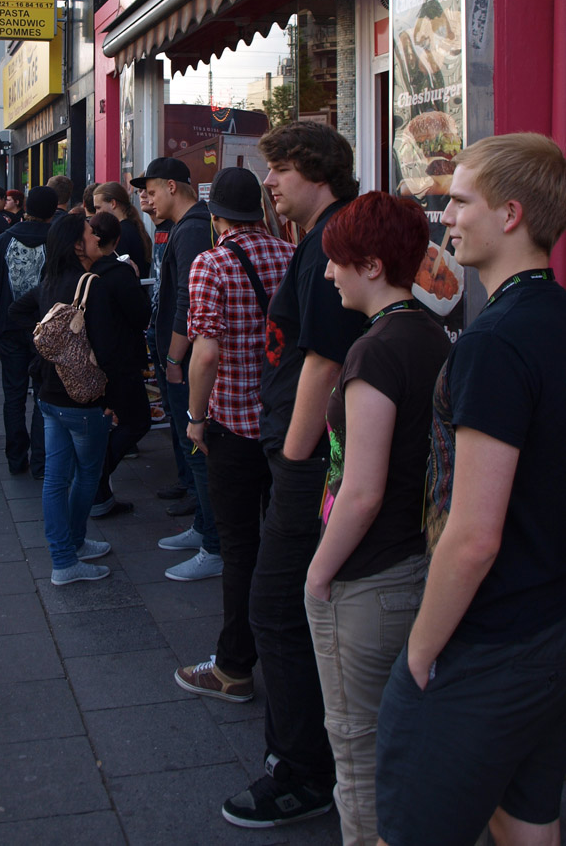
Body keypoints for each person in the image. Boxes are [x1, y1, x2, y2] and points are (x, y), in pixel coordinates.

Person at [375, 134, 566, 846]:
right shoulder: (549, 320)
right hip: (548, 627)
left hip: (489, 638)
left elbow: (474, 532)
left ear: (510, 214)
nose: (443, 215)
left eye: (458, 200)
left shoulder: (495, 342)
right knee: (528, 821)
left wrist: (421, 651)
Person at [223, 121, 364, 830]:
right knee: (296, 610)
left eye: (277, 169)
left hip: (308, 463)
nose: (269, 183)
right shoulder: (318, 239)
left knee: (276, 607)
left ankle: (301, 769)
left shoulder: (328, 241)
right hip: (308, 458)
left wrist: (296, 456)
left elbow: (322, 358)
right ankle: (317, 752)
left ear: (315, 169)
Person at [299, 192, 450, 845]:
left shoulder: (376, 351)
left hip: (368, 580)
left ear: (368, 263)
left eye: (337, 261)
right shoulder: (429, 336)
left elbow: (360, 490)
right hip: (415, 565)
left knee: (358, 756)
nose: (329, 274)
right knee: (417, 752)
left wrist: (316, 574)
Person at [175, 168, 293, 701]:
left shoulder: (212, 262)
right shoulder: (290, 255)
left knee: (239, 546)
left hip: (233, 426)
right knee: (284, 541)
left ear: (217, 215)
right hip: (286, 422)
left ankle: (233, 667)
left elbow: (205, 352)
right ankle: (287, 652)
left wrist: (196, 418)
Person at [10, 212, 146, 586]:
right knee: (86, 476)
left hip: (50, 396)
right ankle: (66, 559)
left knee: (55, 479)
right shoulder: (93, 285)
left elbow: (16, 312)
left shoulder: (50, 280)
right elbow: (108, 351)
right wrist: (113, 401)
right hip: (85, 402)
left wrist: (46, 348)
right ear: (76, 244)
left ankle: (69, 549)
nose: (95, 237)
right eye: (89, 233)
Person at [132, 157, 219, 581]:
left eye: (149, 190)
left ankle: (214, 543)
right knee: (190, 444)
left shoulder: (194, 228)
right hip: (179, 356)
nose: (146, 199)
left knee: (197, 446)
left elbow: (191, 301)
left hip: (185, 361)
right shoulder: (187, 227)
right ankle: (204, 526)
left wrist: (172, 358)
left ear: (172, 185)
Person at [0, 186, 57, 476]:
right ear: (52, 212)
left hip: (9, 328)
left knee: (12, 395)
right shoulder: (55, 242)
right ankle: (40, 461)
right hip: (45, 329)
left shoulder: (2, 241)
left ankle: (16, 458)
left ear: (26, 208)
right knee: (43, 394)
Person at [86, 209, 153, 518]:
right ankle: (97, 479)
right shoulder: (119, 273)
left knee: (112, 420)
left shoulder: (86, 273)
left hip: (92, 360)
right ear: (116, 239)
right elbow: (141, 316)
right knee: (137, 420)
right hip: (120, 359)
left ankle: (98, 482)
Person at [93, 181, 152, 278]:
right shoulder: (134, 227)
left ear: (113, 203)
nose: (96, 213)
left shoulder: (121, 232)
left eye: (98, 208)